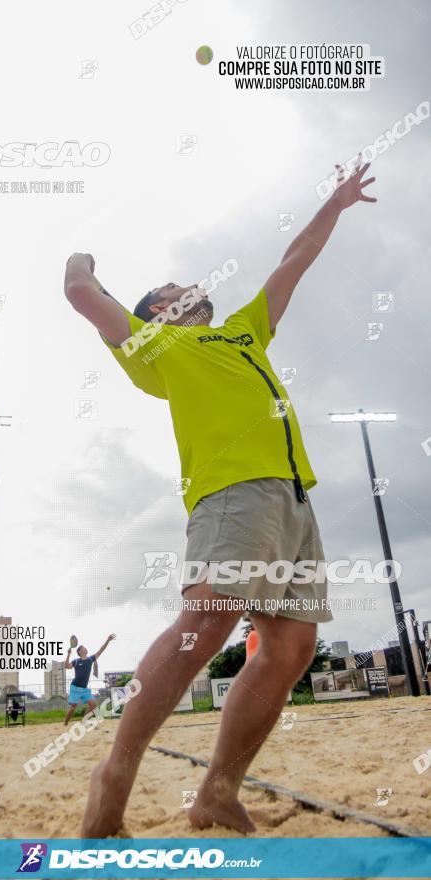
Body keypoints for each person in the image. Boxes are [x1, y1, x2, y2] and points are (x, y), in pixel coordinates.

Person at [64, 159, 376, 836]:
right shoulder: (158, 345)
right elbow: (81, 293)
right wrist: (82, 254)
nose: (189, 285)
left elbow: (293, 261)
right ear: (157, 310)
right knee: (206, 622)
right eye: (173, 286)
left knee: (290, 647)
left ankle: (216, 793)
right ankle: (112, 774)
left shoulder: (242, 330)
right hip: (233, 494)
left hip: (293, 501)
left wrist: (336, 201)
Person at [63, 634, 116, 725]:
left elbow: (101, 650)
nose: (86, 649)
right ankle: (65, 723)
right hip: (75, 687)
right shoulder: (76, 661)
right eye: (84, 648)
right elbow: (66, 666)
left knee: (93, 705)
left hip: (84, 689)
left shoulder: (90, 659)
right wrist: (68, 654)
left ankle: (83, 721)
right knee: (73, 707)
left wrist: (108, 640)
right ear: (80, 651)